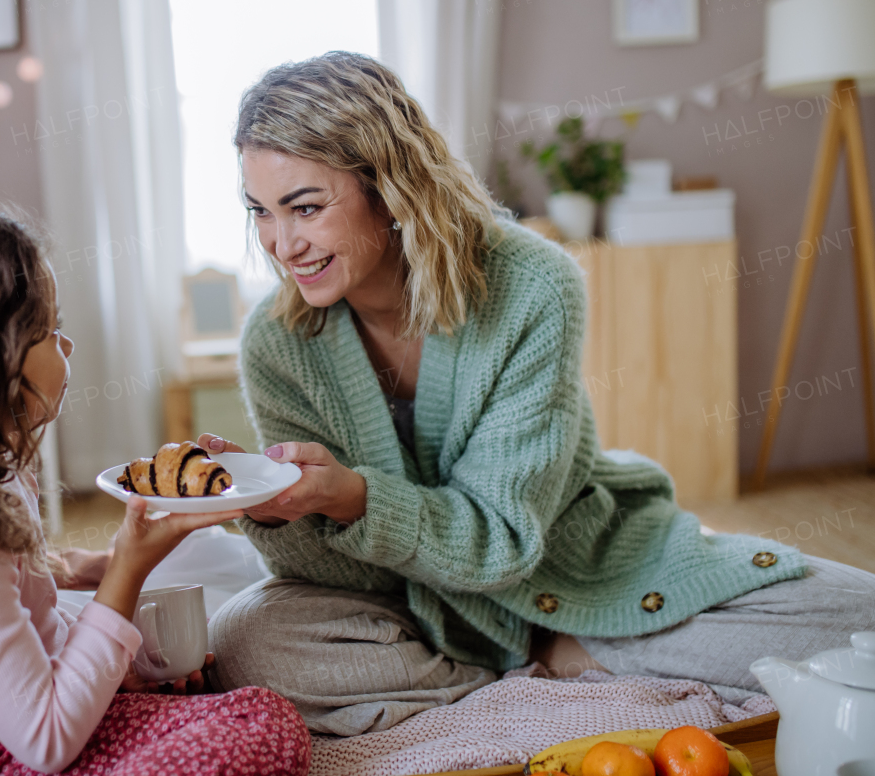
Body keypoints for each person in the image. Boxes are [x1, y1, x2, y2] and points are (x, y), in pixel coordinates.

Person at [201, 51, 875, 737]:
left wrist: (357, 496)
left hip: (578, 569)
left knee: (862, 617)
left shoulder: (530, 285)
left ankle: (547, 658)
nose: (282, 244)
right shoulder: (276, 340)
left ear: (389, 186)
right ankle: (535, 669)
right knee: (244, 637)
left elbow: (503, 543)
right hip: (411, 605)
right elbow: (330, 578)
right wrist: (273, 507)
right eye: (261, 212)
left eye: (305, 208)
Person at [0, 208, 310, 776]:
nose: (66, 344)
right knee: (260, 727)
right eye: (46, 331)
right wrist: (126, 571)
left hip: (1, 729)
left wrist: (127, 667)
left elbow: (35, 631)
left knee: (247, 710)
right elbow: (43, 741)